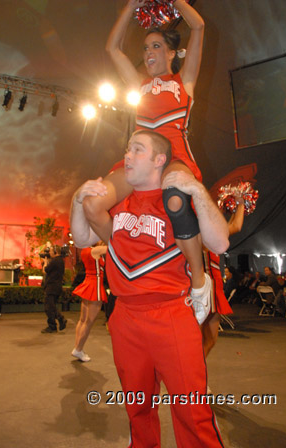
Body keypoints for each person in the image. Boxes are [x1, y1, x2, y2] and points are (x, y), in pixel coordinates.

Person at [70, 130, 229, 446]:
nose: (127, 155)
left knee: (192, 413)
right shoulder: (117, 205)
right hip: (125, 316)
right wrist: (77, 200)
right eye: (127, 148)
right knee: (137, 411)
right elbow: (84, 239)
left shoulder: (177, 200)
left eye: (137, 150)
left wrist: (197, 191)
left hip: (171, 313)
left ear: (159, 160)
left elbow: (221, 241)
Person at [83, 0, 210, 322]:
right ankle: (121, 253)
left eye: (156, 46)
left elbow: (198, 26)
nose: (149, 52)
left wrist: (177, 2)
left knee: (176, 198)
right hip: (140, 158)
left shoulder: (186, 82)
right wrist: (131, 6)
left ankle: (198, 279)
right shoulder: (137, 85)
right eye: (145, 47)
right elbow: (112, 48)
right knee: (94, 204)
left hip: (174, 155)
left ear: (171, 53)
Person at [201, 198, 245, 357]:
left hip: (212, 289)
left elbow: (231, 226)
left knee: (209, 340)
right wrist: (241, 202)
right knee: (203, 340)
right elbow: (236, 226)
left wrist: (235, 208)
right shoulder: (204, 236)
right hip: (206, 292)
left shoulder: (208, 234)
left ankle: (197, 376)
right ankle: (193, 377)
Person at [71, 242, 108, 362]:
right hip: (95, 285)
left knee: (83, 320)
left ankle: (78, 348)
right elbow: (115, 247)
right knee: (88, 322)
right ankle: (78, 348)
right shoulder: (96, 250)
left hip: (88, 283)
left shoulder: (85, 250)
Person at [41, 245, 67, 334]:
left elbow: (45, 270)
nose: (50, 253)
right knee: (51, 306)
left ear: (56, 252)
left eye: (51, 251)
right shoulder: (61, 261)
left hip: (51, 287)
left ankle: (54, 324)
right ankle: (58, 321)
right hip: (57, 286)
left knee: (49, 307)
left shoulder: (55, 261)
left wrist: (45, 262)